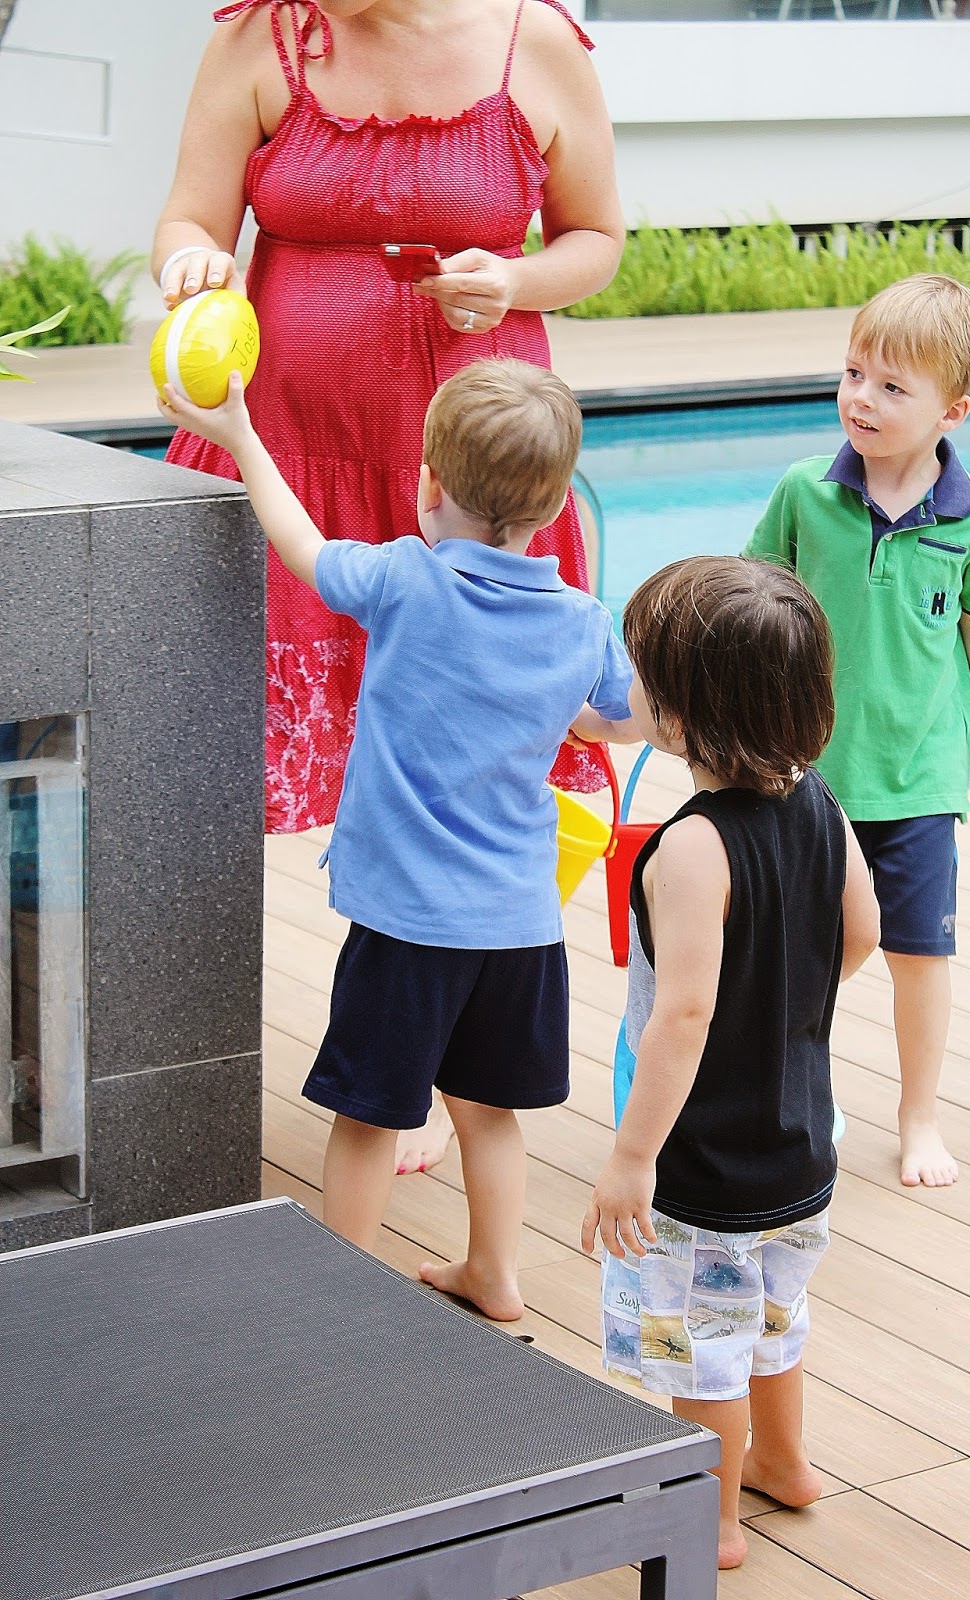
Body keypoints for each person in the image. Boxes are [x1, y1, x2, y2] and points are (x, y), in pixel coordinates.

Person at [153, 0, 624, 1176]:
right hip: (281, 461)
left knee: (469, 770)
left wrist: (513, 280)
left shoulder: (536, 43)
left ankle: (435, 1060)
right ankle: (172, 1070)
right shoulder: (262, 37)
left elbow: (597, 241)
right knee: (205, 770)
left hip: (467, 489)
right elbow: (188, 218)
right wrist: (192, 263)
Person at [161, 357, 636, 1320]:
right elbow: (622, 721)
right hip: (519, 928)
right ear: (554, 510)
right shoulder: (579, 622)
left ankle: (339, 1298)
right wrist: (574, 714)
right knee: (487, 1114)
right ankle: (495, 1274)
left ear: (427, 485)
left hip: (409, 926)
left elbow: (300, 543)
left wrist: (242, 435)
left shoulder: (404, 581)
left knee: (368, 1115)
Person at [581, 556, 880, 1572]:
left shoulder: (691, 847)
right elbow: (862, 933)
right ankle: (783, 1464)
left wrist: (631, 1158)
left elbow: (683, 1011)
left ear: (678, 718)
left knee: (701, 1341)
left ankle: (707, 1521)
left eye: (641, 673)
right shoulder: (821, 802)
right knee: (770, 1317)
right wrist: (784, 1006)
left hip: (704, 1163)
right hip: (801, 1143)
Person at [744, 273, 970, 1189]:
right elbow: (753, 598)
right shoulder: (804, 493)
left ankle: (918, 1114)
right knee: (802, 949)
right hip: (806, 773)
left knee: (919, 954)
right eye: (854, 373)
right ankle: (800, 1093)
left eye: (892, 386)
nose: (860, 397)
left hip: (919, 779)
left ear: (953, 410)